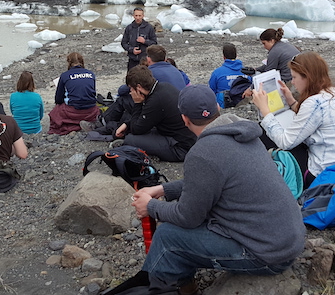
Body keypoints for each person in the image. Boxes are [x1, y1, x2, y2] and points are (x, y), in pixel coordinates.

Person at [131, 84, 305, 292]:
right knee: (188, 225)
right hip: (288, 240)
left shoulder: (203, 153)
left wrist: (150, 207)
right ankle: (183, 285)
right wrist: (162, 190)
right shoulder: (243, 133)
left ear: (184, 119)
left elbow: (187, 217)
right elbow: (209, 182)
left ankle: (162, 289)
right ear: (218, 109)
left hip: (268, 254)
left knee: (167, 236)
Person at [252, 52, 335, 187]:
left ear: (307, 77)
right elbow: (313, 118)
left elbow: (285, 142)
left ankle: (256, 178)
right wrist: (290, 101)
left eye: (295, 77)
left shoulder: (314, 103)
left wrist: (265, 110)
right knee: (281, 131)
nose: (293, 82)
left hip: (327, 176)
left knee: (265, 133)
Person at [115, 66, 196, 162]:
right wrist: (127, 124)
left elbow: (136, 129)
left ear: (139, 87)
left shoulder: (155, 100)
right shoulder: (164, 87)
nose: (130, 92)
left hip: (180, 148)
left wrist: (137, 103)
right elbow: (149, 116)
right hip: (188, 138)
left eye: (131, 89)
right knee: (144, 131)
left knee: (130, 140)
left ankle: (154, 154)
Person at [48, 52, 99, 135]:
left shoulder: (65, 75)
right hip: (91, 109)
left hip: (74, 109)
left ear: (69, 62)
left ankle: (72, 124)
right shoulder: (91, 74)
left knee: (55, 112)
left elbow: (58, 98)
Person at [209, 43, 249, 108]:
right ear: (236, 55)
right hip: (243, 103)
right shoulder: (247, 72)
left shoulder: (217, 72)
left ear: (224, 57)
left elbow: (212, 91)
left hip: (224, 104)